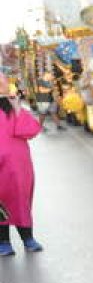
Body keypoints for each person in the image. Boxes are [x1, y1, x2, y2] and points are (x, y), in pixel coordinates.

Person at [0, 73, 44, 256]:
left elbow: (30, 131)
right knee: (1, 205)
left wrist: (17, 107)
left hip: (18, 166)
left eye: (2, 82)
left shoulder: (14, 108)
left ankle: (28, 238)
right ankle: (4, 242)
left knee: (20, 201)